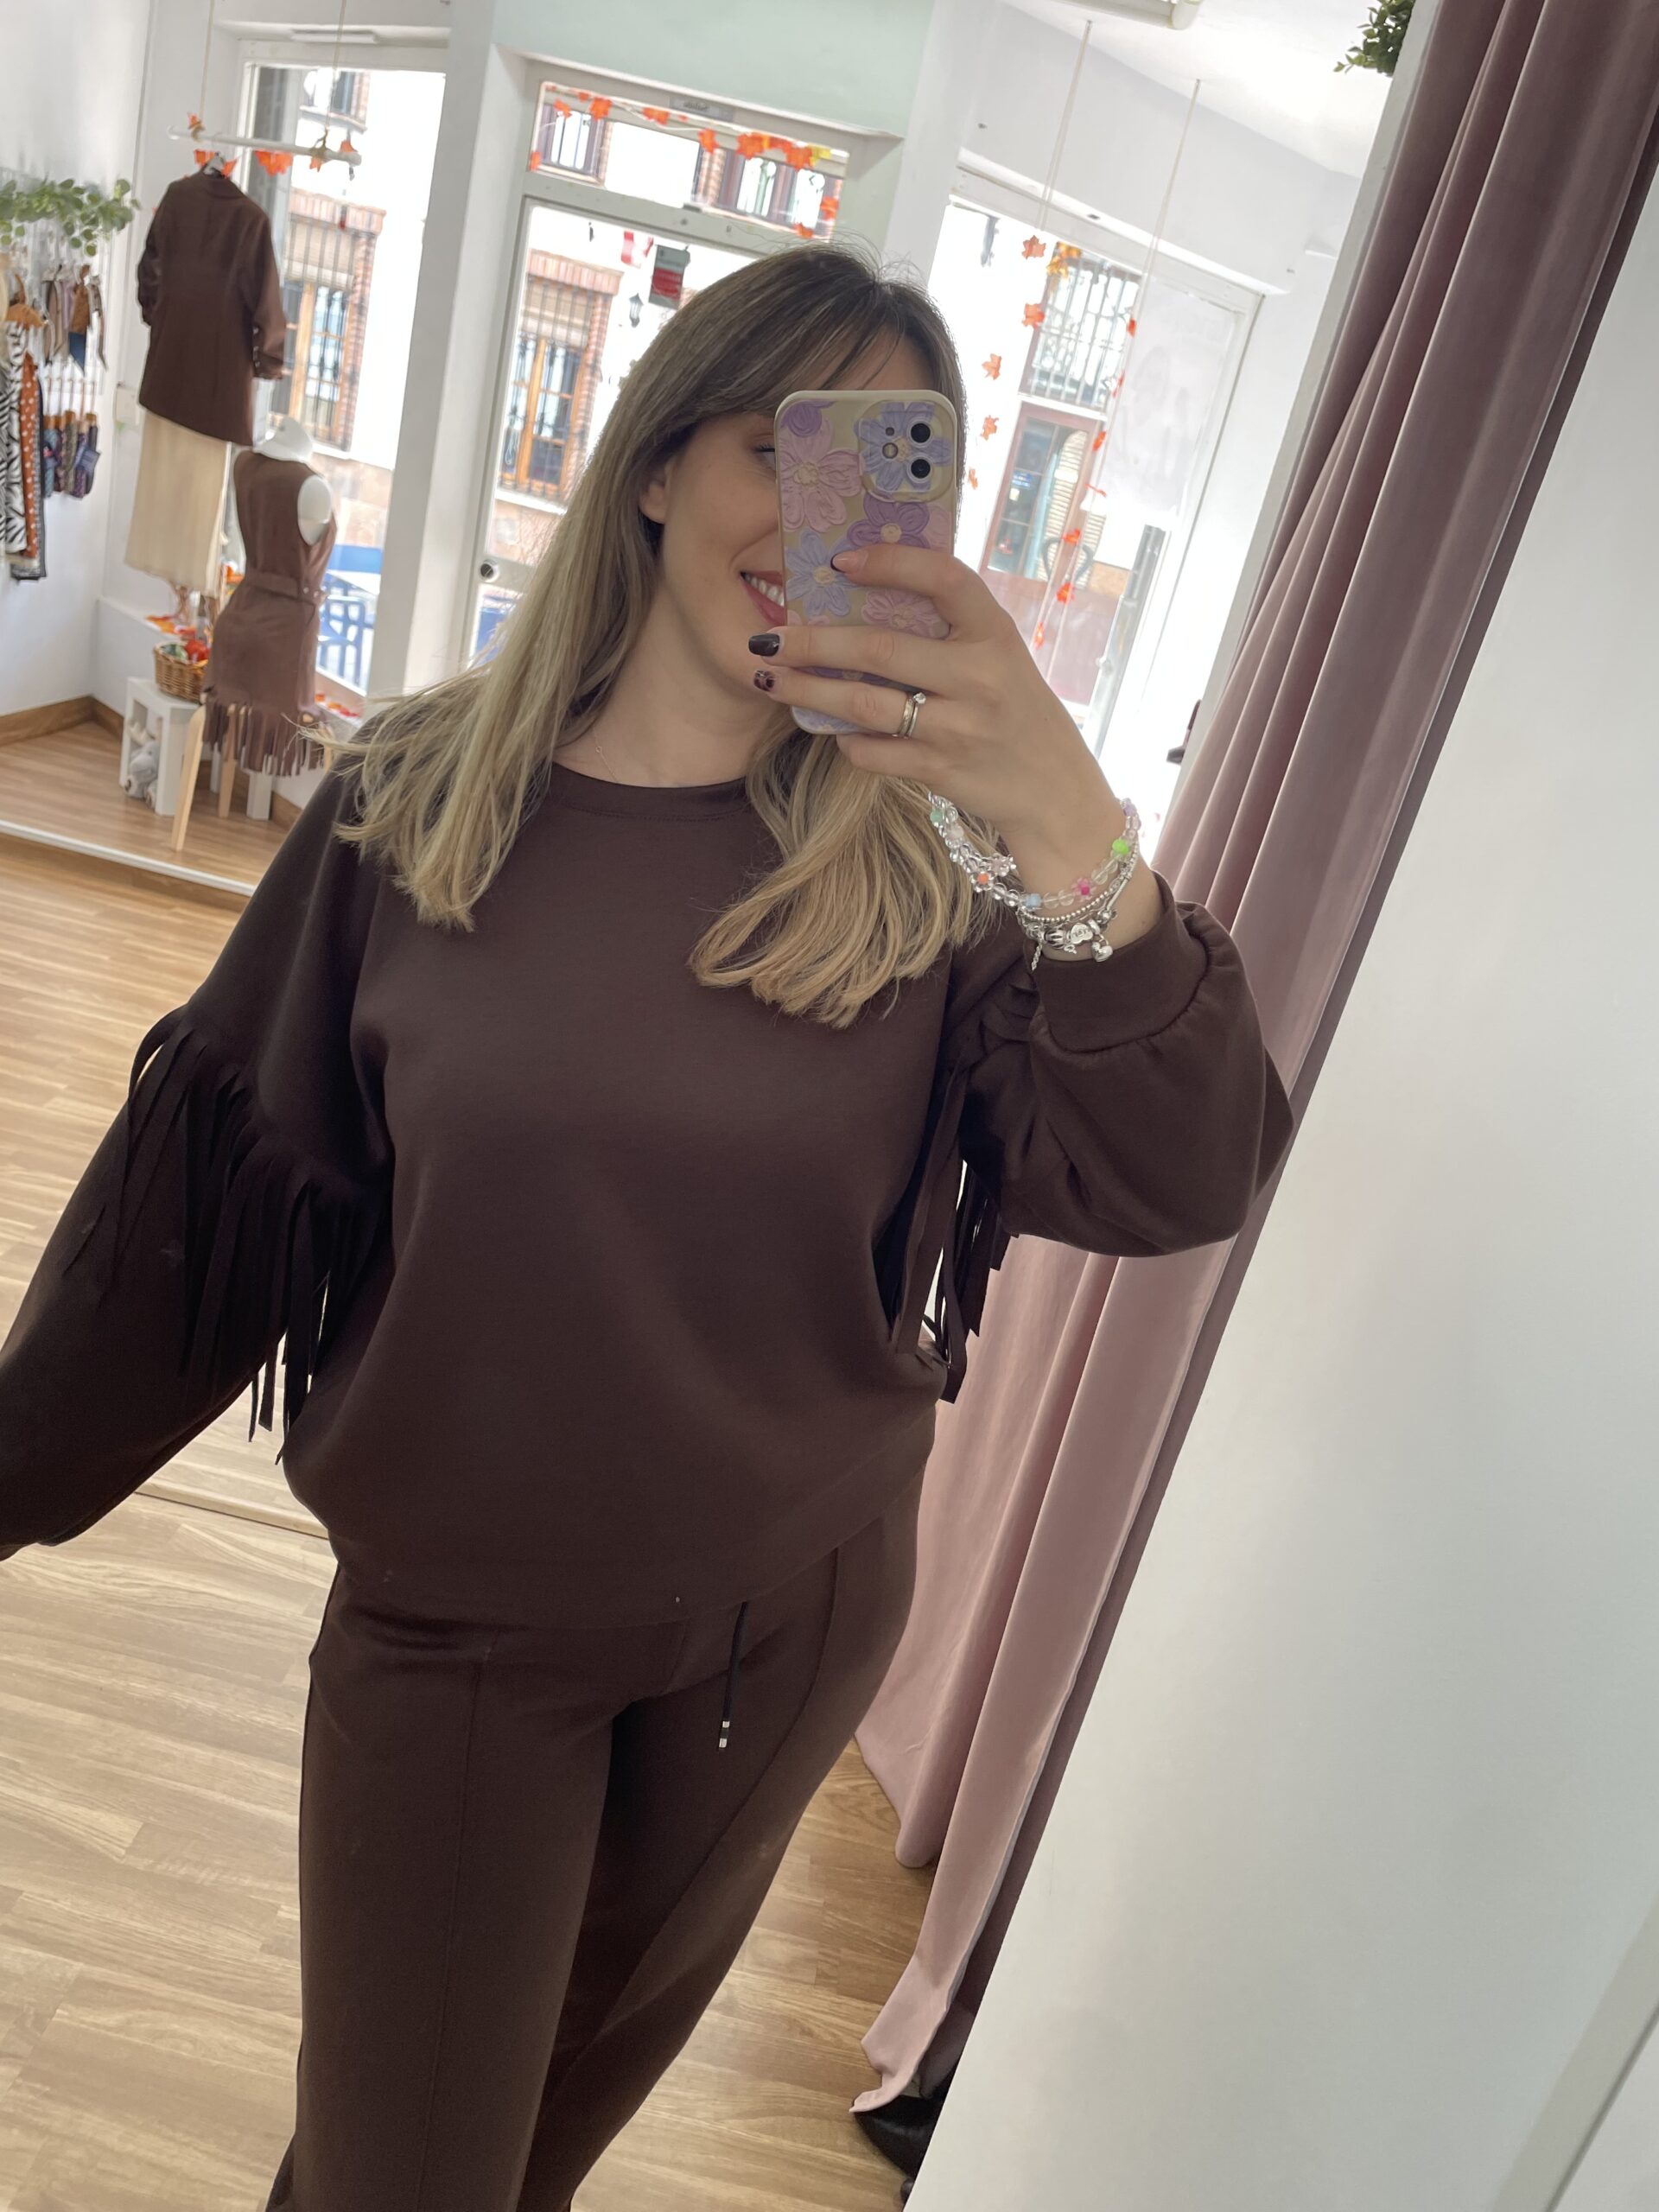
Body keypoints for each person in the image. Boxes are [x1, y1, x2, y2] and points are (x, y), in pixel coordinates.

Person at [0, 243, 1294, 2211]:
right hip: (457, 1640)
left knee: (526, 2156)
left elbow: (1186, 1170)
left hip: (789, 1623)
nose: (821, 513)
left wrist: (1066, 818)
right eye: (781, 442)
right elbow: (215, 1194)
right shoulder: (415, 804)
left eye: (890, 471)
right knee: (402, 2172)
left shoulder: (932, 884)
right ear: (662, 463)